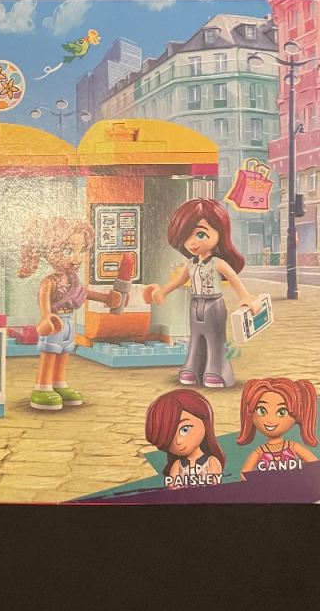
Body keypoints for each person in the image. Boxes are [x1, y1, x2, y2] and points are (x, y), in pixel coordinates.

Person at [143, 198, 259, 389]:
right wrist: (162, 291)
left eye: (200, 234)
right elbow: (179, 281)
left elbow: (232, 278)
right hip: (195, 304)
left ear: (219, 233)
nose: (192, 242)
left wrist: (245, 297)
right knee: (196, 337)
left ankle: (217, 370)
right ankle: (193, 367)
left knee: (215, 338)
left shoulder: (217, 263)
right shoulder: (190, 264)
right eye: (186, 236)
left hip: (214, 305)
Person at [18, 216, 120, 410]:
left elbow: (84, 293)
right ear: (49, 251)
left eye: (81, 250)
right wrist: (46, 318)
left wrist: (106, 299)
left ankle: (59, 384)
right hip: (55, 322)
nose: (76, 258)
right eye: (68, 250)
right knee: (50, 353)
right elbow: (43, 299)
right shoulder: (49, 281)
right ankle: (42, 387)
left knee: (64, 352)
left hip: (69, 322)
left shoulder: (73, 280)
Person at [238, 377, 318, 477]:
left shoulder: (292, 447)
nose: (270, 420)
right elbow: (244, 473)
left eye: (282, 412)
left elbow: (314, 463)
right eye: (261, 411)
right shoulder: (259, 452)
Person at [144, 389, 225, 487]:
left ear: (203, 420)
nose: (178, 441)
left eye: (185, 429)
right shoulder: (177, 466)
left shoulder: (211, 462)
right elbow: (173, 489)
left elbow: (215, 489)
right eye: (170, 438)